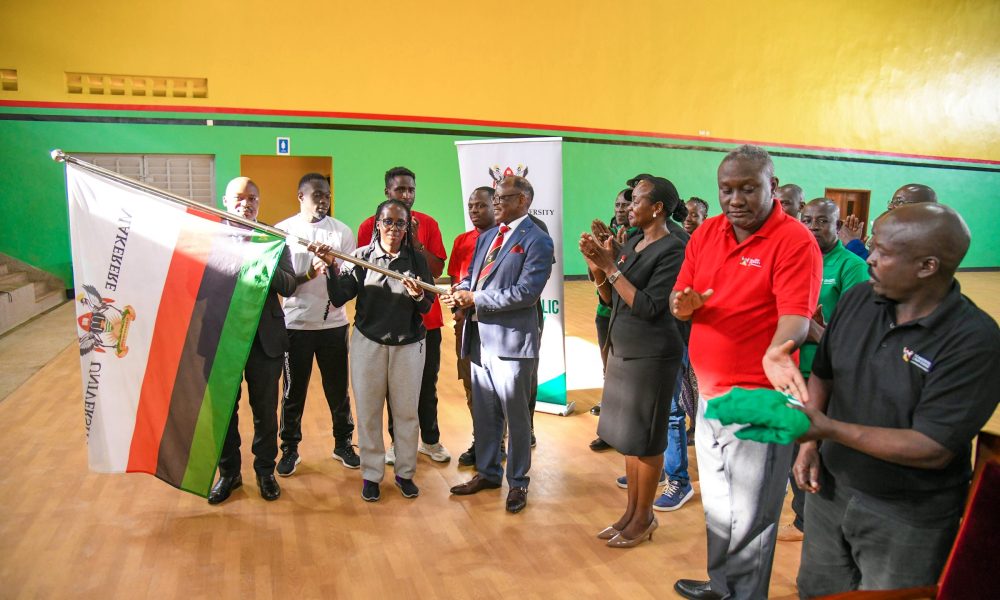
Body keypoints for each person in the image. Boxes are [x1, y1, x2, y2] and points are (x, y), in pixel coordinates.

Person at [792, 203, 999, 596]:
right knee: (818, 590)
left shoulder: (974, 341)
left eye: (883, 252)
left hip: (906, 513)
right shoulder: (858, 300)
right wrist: (809, 446)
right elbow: (824, 373)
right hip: (830, 491)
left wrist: (827, 429)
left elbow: (931, 448)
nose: (869, 257)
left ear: (927, 266)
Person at [670, 145, 822, 600]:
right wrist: (683, 305)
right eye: (727, 189)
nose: (735, 199)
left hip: (760, 399)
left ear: (772, 186)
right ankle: (722, 585)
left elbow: (796, 318)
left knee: (752, 518)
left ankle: (743, 594)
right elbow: (682, 297)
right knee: (719, 505)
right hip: (710, 394)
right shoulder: (707, 232)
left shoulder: (794, 241)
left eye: (748, 188)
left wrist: (777, 351)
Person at [580, 174, 687, 547]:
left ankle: (644, 518)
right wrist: (598, 266)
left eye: (637, 199)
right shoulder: (632, 241)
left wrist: (610, 267)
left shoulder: (673, 249)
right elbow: (611, 299)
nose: (628, 205)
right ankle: (630, 513)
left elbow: (650, 306)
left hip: (652, 355)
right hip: (623, 350)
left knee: (647, 439)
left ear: (657, 208)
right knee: (629, 437)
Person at [444, 175, 554, 514]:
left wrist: (475, 298)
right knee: (485, 413)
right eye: (495, 198)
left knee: (515, 417)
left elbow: (526, 293)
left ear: (523, 200)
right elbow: (472, 278)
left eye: (502, 198)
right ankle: (488, 473)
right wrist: (460, 291)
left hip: (512, 344)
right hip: (479, 338)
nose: (495, 203)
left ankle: (518, 482)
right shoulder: (488, 236)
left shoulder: (537, 240)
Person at [323, 199, 433, 502]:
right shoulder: (361, 258)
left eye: (400, 223)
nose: (393, 228)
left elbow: (427, 306)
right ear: (378, 224)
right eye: (388, 222)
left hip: (408, 346)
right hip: (368, 343)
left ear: (407, 227)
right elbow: (339, 297)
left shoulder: (417, 260)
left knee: (406, 413)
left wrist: (418, 295)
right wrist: (331, 266)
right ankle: (371, 474)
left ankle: (405, 473)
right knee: (369, 412)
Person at [777, 198, 868, 542]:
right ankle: (804, 516)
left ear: (838, 225)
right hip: (791, 370)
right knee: (794, 446)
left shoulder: (851, 265)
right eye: (808, 220)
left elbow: (856, 331)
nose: (813, 227)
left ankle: (812, 523)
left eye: (822, 221)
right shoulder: (798, 258)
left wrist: (817, 330)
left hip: (824, 376)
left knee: (818, 449)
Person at [209, 177, 297, 504]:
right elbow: (198, 288)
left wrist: (261, 257)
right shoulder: (209, 237)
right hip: (221, 339)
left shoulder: (272, 239)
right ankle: (229, 474)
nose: (245, 204)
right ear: (225, 200)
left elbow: (289, 285)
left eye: (252, 198)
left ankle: (265, 472)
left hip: (265, 339)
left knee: (265, 411)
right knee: (223, 412)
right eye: (239, 197)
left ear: (259, 203)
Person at [357, 167, 451, 464]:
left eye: (411, 189)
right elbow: (362, 272)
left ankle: (430, 440)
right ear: (387, 192)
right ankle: (398, 443)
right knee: (392, 389)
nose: (407, 195)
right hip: (387, 324)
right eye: (400, 189)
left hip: (426, 320)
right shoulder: (369, 225)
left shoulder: (429, 223)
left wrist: (416, 242)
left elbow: (435, 270)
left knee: (427, 384)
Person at [274, 173, 359, 476]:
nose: (323, 200)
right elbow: (282, 283)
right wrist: (309, 273)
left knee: (338, 391)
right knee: (292, 392)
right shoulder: (284, 231)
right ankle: (289, 448)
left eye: (327, 195)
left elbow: (347, 282)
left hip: (333, 326)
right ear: (301, 196)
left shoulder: (342, 232)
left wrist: (332, 267)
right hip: (295, 325)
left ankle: (343, 443)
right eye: (317, 195)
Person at [449, 186, 497, 467]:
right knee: (471, 384)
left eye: (481, 205)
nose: (474, 210)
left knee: (498, 388)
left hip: (496, 327)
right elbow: (456, 279)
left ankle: (498, 442)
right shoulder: (462, 240)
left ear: (495, 206)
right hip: (466, 325)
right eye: (471, 206)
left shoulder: (504, 240)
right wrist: (457, 307)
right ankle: (481, 440)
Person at [587, 189, 631, 448]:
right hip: (605, 312)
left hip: (629, 315)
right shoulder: (607, 233)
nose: (621, 209)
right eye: (617, 204)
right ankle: (610, 429)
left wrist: (618, 253)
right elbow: (594, 275)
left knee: (627, 376)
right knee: (609, 370)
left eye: (626, 204)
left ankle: (623, 429)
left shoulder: (640, 237)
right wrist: (596, 258)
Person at [839, 183, 939, 260]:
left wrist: (853, 244)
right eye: (892, 201)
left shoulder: (924, 240)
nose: (890, 206)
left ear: (922, 207)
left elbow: (881, 271)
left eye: (899, 202)